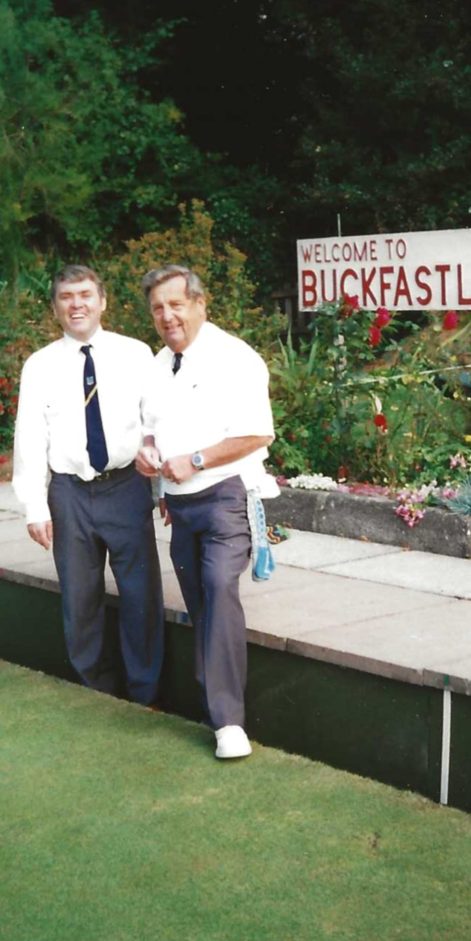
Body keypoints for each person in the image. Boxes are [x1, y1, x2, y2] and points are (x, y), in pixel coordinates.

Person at [136, 265, 274, 759]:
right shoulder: (156, 366)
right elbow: (151, 430)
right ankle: (216, 702)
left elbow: (257, 433)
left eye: (176, 304)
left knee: (219, 588)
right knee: (201, 602)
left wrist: (194, 460)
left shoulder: (235, 357)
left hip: (226, 496)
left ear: (200, 304)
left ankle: (228, 722)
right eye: (158, 308)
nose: (167, 315)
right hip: (179, 507)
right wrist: (146, 453)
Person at [12, 264, 163, 704]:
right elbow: (30, 436)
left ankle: (144, 695)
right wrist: (35, 507)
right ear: (55, 307)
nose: (76, 304)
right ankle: (96, 693)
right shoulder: (39, 365)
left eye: (84, 295)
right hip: (69, 493)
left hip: (126, 488)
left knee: (140, 596)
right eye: (66, 297)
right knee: (80, 600)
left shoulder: (136, 354)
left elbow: (155, 422)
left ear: (103, 301)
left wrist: (163, 491)